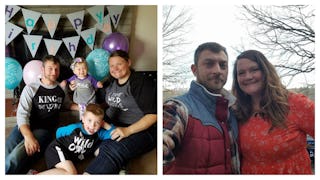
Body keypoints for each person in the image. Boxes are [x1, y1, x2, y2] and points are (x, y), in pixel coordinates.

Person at [231, 50, 315, 174]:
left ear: (266, 72)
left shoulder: (295, 104)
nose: (248, 76)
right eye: (241, 73)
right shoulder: (237, 111)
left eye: (254, 69)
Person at [163, 42, 240, 174]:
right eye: (209, 64)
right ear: (194, 70)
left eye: (223, 65)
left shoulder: (233, 111)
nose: (217, 70)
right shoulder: (178, 108)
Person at [84, 50, 157, 174]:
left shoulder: (140, 82)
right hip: (113, 123)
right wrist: (93, 109)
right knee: (85, 134)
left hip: (140, 129)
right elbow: (110, 102)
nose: (115, 68)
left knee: (112, 148)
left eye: (119, 64)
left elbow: (153, 115)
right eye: (112, 65)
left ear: (128, 62)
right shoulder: (112, 82)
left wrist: (127, 131)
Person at [5, 55, 73, 174]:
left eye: (56, 69)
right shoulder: (31, 88)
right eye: (50, 68)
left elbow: (67, 104)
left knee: (14, 157)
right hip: (25, 126)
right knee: (5, 151)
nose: (54, 72)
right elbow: (22, 114)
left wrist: (83, 107)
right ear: (42, 69)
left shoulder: (61, 89)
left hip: (44, 130)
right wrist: (28, 136)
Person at [36, 104, 115, 175]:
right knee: (71, 174)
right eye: (89, 120)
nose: (92, 126)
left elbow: (116, 133)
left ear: (101, 124)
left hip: (68, 156)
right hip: (57, 149)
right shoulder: (75, 128)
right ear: (83, 119)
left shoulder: (99, 133)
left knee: (67, 173)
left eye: (97, 123)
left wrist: (105, 125)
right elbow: (59, 132)